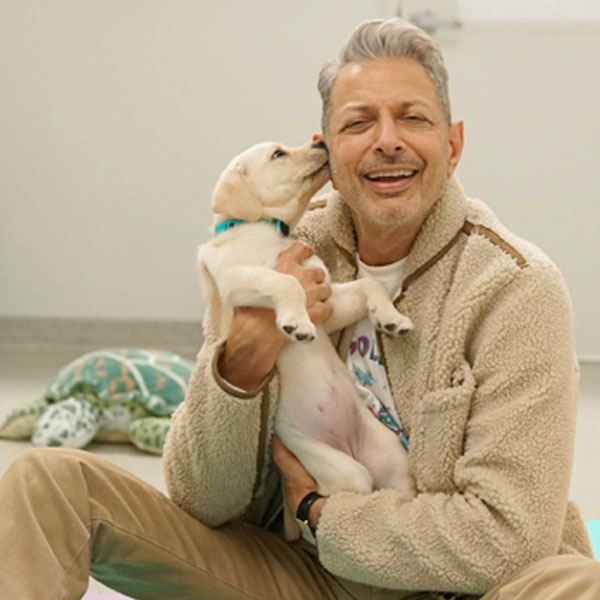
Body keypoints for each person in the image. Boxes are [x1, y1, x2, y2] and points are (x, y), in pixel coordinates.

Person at [0, 17, 598, 600]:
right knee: (45, 481)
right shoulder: (274, 258)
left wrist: (321, 514)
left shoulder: (517, 287)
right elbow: (203, 498)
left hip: (456, 589)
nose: (387, 139)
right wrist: (241, 361)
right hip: (298, 576)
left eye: (411, 118)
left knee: (579, 584)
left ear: (453, 144)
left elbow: (509, 539)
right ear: (328, 157)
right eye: (359, 122)